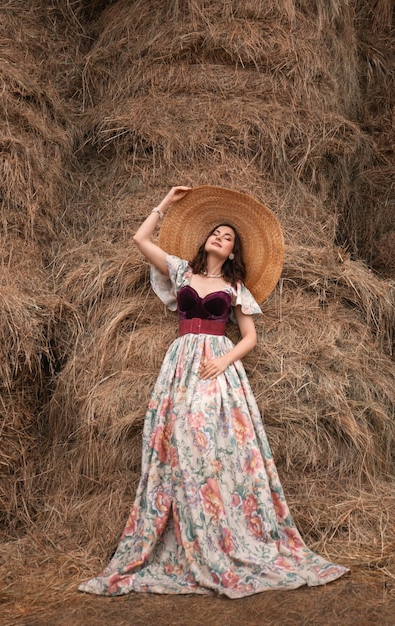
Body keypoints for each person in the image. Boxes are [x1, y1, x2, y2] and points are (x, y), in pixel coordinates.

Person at [78, 185, 349, 598]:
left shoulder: (236, 287)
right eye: (216, 233)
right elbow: (140, 240)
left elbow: (249, 337)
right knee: (177, 438)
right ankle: (188, 530)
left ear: (233, 251)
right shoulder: (182, 273)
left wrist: (224, 362)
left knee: (208, 437)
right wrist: (166, 203)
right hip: (181, 361)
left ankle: (222, 528)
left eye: (228, 237)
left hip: (217, 364)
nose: (220, 238)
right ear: (205, 241)